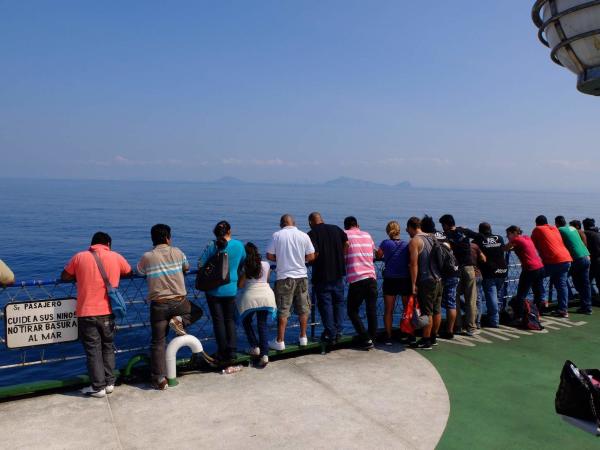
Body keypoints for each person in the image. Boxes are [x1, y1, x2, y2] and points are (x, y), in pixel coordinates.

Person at [61, 232, 132, 397]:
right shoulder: (116, 256)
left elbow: (64, 276)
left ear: (92, 243)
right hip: (108, 311)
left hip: (87, 312)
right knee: (108, 347)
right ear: (108, 243)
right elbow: (129, 272)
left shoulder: (80, 257)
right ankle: (109, 383)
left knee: (93, 350)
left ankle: (97, 386)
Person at [138, 224, 203, 390]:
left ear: (153, 239)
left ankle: (159, 379)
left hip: (158, 305)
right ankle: (179, 320)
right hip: (180, 302)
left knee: (158, 342)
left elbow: (139, 272)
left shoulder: (147, 257)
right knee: (197, 311)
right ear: (168, 238)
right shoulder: (178, 252)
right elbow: (186, 267)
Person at [199, 221, 246, 364]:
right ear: (229, 231)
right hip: (231, 288)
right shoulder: (238, 245)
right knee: (230, 320)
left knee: (218, 321)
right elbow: (243, 261)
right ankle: (232, 351)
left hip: (213, 290)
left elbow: (201, 264)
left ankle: (222, 351)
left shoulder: (212, 246)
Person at [266, 214, 316, 350]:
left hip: (284, 277)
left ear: (282, 224)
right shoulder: (304, 235)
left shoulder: (277, 235)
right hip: (302, 276)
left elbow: (269, 255)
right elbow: (311, 256)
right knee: (303, 308)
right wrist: (300, 259)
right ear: (294, 223)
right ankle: (303, 337)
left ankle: (280, 341)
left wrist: (282, 259)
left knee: (283, 309)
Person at [307, 212, 348, 343]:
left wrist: (310, 261)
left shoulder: (312, 234)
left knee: (326, 305)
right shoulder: (336, 228)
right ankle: (339, 330)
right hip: (338, 273)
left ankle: (331, 333)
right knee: (339, 303)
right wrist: (340, 256)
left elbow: (315, 253)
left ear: (310, 222)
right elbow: (346, 243)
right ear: (322, 219)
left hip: (322, 274)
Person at [458, 223, 508, 328]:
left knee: (490, 298)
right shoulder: (499, 238)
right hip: (503, 270)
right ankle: (494, 317)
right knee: (498, 296)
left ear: (479, 231)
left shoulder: (477, 242)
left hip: (489, 272)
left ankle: (493, 322)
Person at [237, 243, 277, 367]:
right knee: (262, 324)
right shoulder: (265, 264)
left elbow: (240, 285)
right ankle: (264, 354)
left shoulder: (244, 267)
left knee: (246, 321)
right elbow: (266, 278)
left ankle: (255, 346)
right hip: (266, 296)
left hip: (250, 298)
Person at [439, 214, 478, 336]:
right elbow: (479, 236)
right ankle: (471, 327)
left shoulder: (446, 235)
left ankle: (458, 326)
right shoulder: (464, 231)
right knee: (471, 298)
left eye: (443, 225)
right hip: (469, 267)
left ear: (445, 224)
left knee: (454, 297)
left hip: (455, 268)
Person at [407, 217, 442, 350]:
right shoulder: (433, 237)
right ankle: (433, 337)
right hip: (439, 279)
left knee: (427, 312)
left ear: (411, 227)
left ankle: (426, 340)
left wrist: (413, 283)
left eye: (408, 229)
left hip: (426, 280)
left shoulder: (415, 241)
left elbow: (414, 264)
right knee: (436, 310)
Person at [344, 216, 378, 350]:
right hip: (371, 277)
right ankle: (373, 339)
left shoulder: (345, 235)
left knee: (352, 311)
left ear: (346, 226)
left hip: (357, 279)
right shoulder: (367, 235)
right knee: (371, 310)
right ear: (358, 225)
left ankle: (365, 338)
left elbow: (343, 254)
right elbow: (374, 253)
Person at [421, 215, 458, 340]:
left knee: (431, 308)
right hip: (452, 272)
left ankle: (428, 335)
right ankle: (448, 331)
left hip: (437, 276)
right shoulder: (444, 236)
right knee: (448, 304)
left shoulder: (429, 239)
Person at [531, 215, 573, 318]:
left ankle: (542, 299)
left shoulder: (537, 229)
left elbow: (530, 244)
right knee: (561, 286)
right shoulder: (554, 228)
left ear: (536, 223)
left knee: (536, 276)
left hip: (553, 260)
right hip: (566, 259)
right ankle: (563, 310)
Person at [376, 221, 410, 345]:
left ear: (387, 231)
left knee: (388, 310)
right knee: (406, 309)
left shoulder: (385, 243)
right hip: (405, 279)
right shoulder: (406, 244)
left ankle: (389, 336)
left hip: (390, 279)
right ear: (399, 231)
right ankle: (406, 333)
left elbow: (379, 255)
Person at [504, 226, 545, 316]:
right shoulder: (526, 237)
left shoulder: (515, 240)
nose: (507, 236)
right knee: (537, 292)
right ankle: (538, 312)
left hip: (529, 269)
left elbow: (505, 248)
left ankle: (519, 316)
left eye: (508, 234)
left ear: (514, 233)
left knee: (521, 294)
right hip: (540, 267)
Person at [556, 216, 592, 315]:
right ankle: (587, 307)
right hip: (586, 256)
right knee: (585, 284)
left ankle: (565, 304)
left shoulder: (559, 230)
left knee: (561, 279)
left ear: (557, 224)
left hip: (576, 259)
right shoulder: (572, 228)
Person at [583, 218, 600, 297]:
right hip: (597, 260)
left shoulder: (586, 233)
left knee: (586, 281)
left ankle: (587, 299)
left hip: (594, 261)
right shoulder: (598, 233)